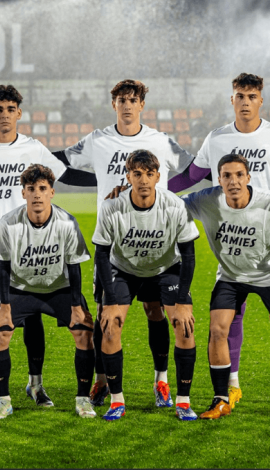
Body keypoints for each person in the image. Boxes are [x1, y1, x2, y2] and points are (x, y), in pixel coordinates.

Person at [168, 73, 270, 410]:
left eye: (251, 96)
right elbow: (191, 177)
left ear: (261, 100)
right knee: (228, 317)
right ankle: (230, 387)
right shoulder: (217, 138)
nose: (245, 101)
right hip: (233, 236)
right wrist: (155, 191)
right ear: (231, 100)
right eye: (239, 95)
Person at [0, 84, 96, 407]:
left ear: (19, 113)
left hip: (31, 244)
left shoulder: (33, 148)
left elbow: (63, 175)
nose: (4, 114)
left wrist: (107, 182)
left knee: (32, 318)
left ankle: (35, 384)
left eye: (10, 109)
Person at [55, 79, 193, 408]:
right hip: (115, 242)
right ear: (113, 103)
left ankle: (161, 380)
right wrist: (102, 183)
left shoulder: (160, 141)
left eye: (133, 100)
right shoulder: (98, 140)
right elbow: (62, 167)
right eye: (121, 100)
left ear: (142, 104)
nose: (127, 105)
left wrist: (166, 194)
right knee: (106, 314)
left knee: (155, 310)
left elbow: (192, 170)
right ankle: (103, 381)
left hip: (156, 240)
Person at [181, 154, 270, 422]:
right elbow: (168, 206)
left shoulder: (269, 202)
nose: (233, 181)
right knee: (217, 329)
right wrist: (128, 193)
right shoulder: (205, 200)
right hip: (231, 276)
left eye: (238, 175)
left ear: (248, 177)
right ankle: (221, 399)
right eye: (226, 175)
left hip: (269, 277)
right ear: (219, 179)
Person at [93, 150, 199, 421]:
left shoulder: (174, 205)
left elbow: (188, 254)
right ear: (128, 176)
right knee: (110, 325)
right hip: (124, 269)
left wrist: (184, 299)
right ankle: (117, 401)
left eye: (149, 174)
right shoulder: (111, 207)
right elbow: (103, 254)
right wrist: (109, 301)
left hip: (165, 268)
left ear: (157, 177)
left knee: (183, 326)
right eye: (137, 174)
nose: (143, 180)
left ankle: (175, 394)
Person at [0, 164, 94, 419]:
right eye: (31, 189)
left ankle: (83, 399)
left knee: (84, 332)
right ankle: (3, 401)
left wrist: (77, 306)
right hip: (20, 288)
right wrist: (4, 307)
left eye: (42, 189)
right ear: (23, 193)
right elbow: (2, 267)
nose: (37, 194)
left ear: (52, 193)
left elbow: (74, 266)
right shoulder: (9, 223)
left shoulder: (67, 222)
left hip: (58, 288)